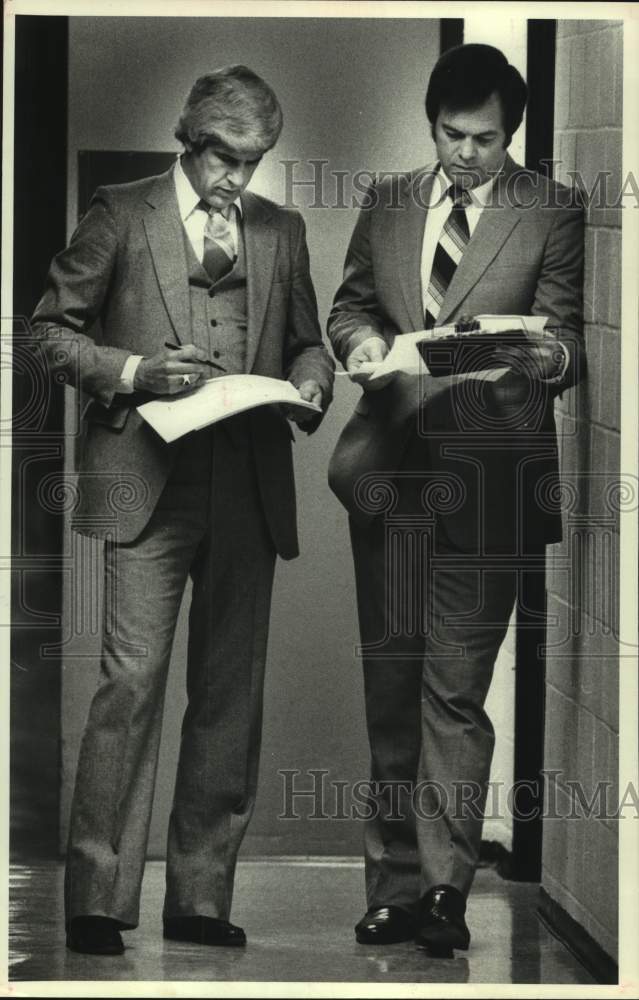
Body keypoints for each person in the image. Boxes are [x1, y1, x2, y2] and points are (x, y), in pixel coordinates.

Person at [30, 64, 334, 956]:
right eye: (226, 158)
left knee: (229, 697)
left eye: (255, 161)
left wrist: (311, 383)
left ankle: (200, 899)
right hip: (146, 481)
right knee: (129, 687)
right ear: (189, 140)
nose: (238, 178)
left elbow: (310, 341)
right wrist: (133, 373)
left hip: (247, 481)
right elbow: (48, 331)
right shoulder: (121, 212)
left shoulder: (282, 230)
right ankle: (96, 898)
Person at [328, 44, 584, 956]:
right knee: (391, 692)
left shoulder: (549, 209)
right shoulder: (390, 200)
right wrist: (360, 346)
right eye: (450, 135)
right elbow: (349, 306)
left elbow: (566, 346)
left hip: (485, 481)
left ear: (509, 134)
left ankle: (443, 892)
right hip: (390, 473)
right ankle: (393, 889)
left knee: (454, 695)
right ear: (430, 123)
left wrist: (537, 357)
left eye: (484, 139)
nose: (465, 154)